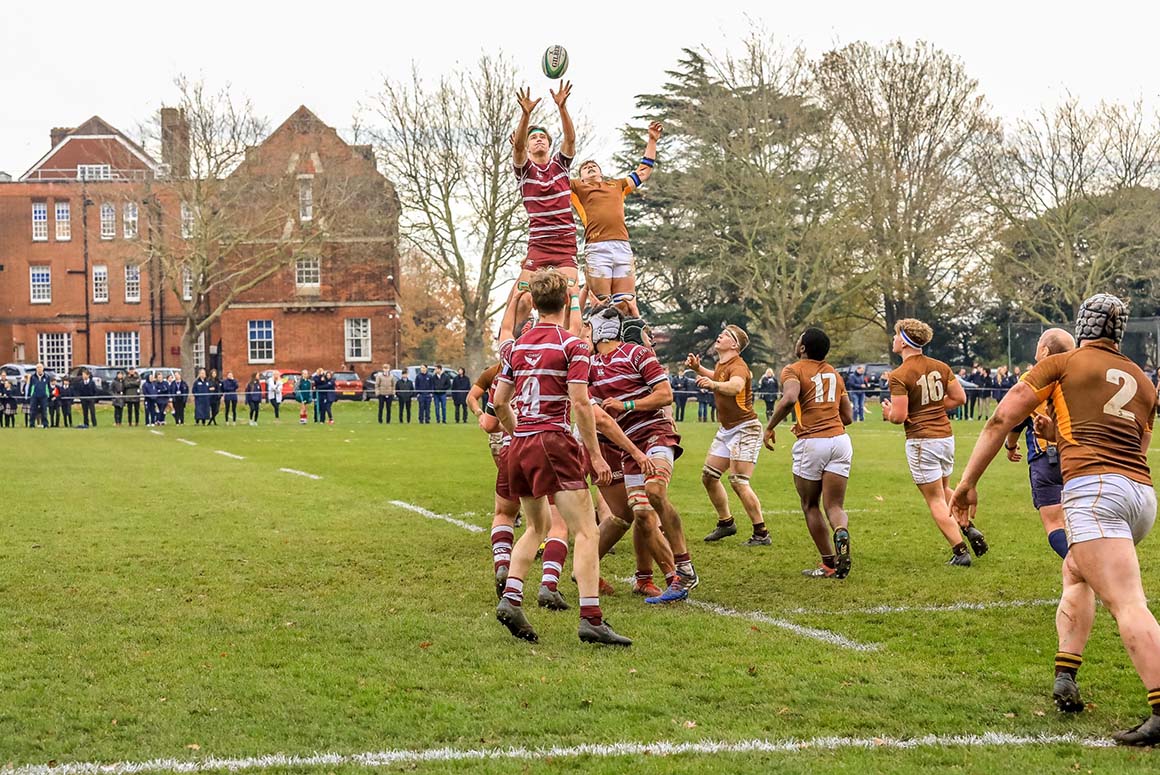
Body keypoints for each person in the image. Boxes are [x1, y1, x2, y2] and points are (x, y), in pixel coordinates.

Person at [951, 294, 1160, 745]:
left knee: (1127, 602)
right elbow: (1131, 447)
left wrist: (967, 484)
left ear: (1084, 324)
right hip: (1140, 495)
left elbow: (1001, 419)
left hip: (1095, 491)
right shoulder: (1143, 380)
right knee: (1075, 570)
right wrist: (1058, 435)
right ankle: (1066, 673)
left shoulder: (1062, 363)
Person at [491, 270, 629, 646]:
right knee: (586, 530)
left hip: (519, 445)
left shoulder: (514, 348)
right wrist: (597, 456)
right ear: (567, 303)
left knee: (536, 527)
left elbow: (500, 402)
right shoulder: (573, 345)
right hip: (553, 439)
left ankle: (512, 596)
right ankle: (592, 618)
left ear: (533, 304)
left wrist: (518, 430)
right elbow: (581, 403)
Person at [588, 307, 697, 603]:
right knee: (641, 515)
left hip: (655, 433)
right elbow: (594, 416)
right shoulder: (588, 367)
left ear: (597, 330)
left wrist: (627, 406)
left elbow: (665, 395)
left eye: (588, 328)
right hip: (626, 446)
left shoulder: (637, 354)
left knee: (655, 491)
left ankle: (684, 569)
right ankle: (659, 578)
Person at [882, 318, 987, 566]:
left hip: (922, 440)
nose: (894, 339)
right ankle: (968, 527)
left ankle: (960, 552)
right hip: (945, 437)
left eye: (897, 335)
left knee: (935, 499)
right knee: (943, 490)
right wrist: (932, 409)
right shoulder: (941, 366)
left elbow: (899, 416)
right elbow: (959, 398)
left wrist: (889, 414)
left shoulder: (899, 375)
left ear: (905, 342)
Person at [764, 328, 855, 578]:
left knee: (810, 504)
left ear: (803, 347)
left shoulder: (793, 369)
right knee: (835, 506)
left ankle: (829, 564)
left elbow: (789, 398)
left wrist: (770, 427)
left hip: (813, 443)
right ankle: (840, 531)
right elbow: (847, 416)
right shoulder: (834, 373)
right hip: (840, 441)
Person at [502, 80, 580, 328]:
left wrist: (562, 107)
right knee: (522, 299)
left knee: (570, 297)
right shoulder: (524, 171)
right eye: (533, 137)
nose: (538, 140)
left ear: (549, 143)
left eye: (542, 137)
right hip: (538, 247)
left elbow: (570, 139)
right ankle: (511, 350)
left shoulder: (560, 166)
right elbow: (517, 147)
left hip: (564, 246)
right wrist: (526, 114)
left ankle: (567, 351)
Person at [569, 122, 662, 314]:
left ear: (601, 173)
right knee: (603, 305)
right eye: (585, 168)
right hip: (597, 248)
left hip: (622, 246)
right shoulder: (577, 188)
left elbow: (643, 171)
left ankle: (626, 340)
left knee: (626, 303)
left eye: (593, 165)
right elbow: (551, 178)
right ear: (581, 178)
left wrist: (652, 140)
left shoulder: (617, 185)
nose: (590, 167)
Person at [689, 326, 768, 546]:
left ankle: (761, 532)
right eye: (720, 332)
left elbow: (735, 386)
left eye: (725, 335)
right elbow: (718, 376)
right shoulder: (723, 364)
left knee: (738, 481)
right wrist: (698, 369)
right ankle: (726, 523)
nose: (719, 335)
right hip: (727, 429)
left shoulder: (739, 366)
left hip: (746, 428)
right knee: (709, 476)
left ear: (734, 345)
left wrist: (712, 384)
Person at [1002, 329, 1076, 561]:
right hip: (1078, 455)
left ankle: (1084, 568)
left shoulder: (1031, 378)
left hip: (1047, 457)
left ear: (1044, 350)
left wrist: (1010, 446)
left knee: (1054, 523)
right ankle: (1095, 568)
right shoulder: (1078, 378)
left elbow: (1016, 420)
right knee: (1082, 522)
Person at [26, 363, 50, 429]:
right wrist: (30, 395)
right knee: (33, 410)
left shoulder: (47, 377)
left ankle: (45, 424)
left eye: (40, 367)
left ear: (43, 368)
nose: (39, 369)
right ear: (36, 369)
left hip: (43, 396)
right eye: (38, 368)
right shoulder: (33, 377)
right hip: (35, 396)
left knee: (44, 410)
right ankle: (32, 424)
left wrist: (48, 395)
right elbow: (30, 387)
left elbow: (48, 387)